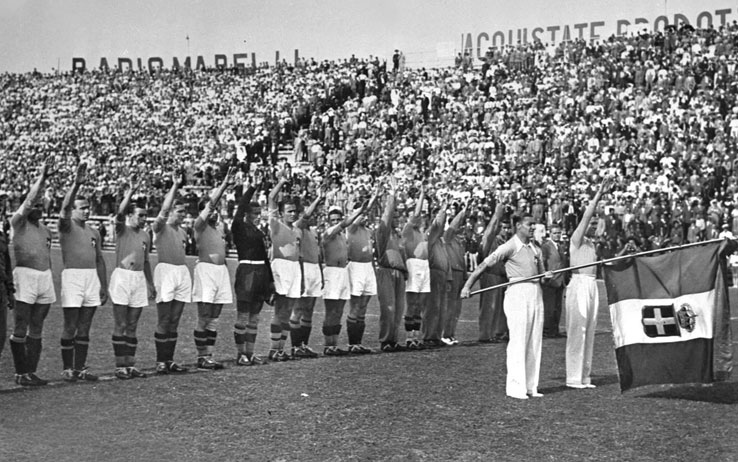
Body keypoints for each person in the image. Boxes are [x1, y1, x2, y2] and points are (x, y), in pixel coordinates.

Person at [462, 214, 551, 400]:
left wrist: (546, 276)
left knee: (535, 339)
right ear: (518, 226)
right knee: (519, 339)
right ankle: (515, 387)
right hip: (518, 291)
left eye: (534, 224)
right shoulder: (509, 246)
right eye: (529, 224)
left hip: (536, 291)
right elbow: (484, 264)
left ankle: (531, 386)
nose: (532, 227)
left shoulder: (536, 248)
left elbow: (541, 275)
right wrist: (467, 286)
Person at [58, 163, 108, 382]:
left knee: (85, 326)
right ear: (74, 210)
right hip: (73, 277)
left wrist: (104, 286)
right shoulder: (66, 226)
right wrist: (76, 184)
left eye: (88, 208)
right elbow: (64, 208)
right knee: (70, 324)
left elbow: (99, 259)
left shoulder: (94, 232)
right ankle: (67, 368)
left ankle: (80, 367)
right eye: (82, 208)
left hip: (91, 278)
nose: (87, 211)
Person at [9, 162, 52, 386]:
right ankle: (20, 372)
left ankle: (31, 371)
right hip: (25, 276)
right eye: (35, 205)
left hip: (44, 277)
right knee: (21, 323)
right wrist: (42, 178)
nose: (38, 208)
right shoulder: (18, 223)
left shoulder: (46, 230)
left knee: (37, 325)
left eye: (41, 206)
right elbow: (27, 202)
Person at [566, 178, 611, 389]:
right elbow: (586, 217)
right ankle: (573, 377)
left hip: (592, 285)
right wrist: (599, 194)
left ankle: (585, 376)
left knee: (590, 330)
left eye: (595, 224)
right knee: (578, 330)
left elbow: (600, 225)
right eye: (590, 224)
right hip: (579, 285)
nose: (593, 226)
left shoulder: (592, 244)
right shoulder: (576, 239)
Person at [110, 177, 155, 379]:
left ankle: (130, 363)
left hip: (138, 278)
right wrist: (131, 191)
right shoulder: (122, 229)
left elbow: (145, 261)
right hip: (122, 277)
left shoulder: (145, 235)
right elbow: (120, 213)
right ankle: (120, 365)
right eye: (140, 216)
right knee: (121, 324)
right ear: (130, 216)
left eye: (146, 216)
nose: (144, 219)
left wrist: (150, 283)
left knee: (132, 325)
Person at [192, 168, 235, 370]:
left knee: (215, 318)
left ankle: (209, 355)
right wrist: (224, 185)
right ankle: (201, 356)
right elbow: (210, 204)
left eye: (216, 210)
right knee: (204, 316)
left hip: (220, 272)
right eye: (211, 210)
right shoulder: (199, 226)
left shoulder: (219, 229)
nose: (214, 212)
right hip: (206, 271)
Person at [152, 171, 191, 374]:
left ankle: (169, 360)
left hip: (181, 273)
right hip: (166, 272)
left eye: (184, 212)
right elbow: (164, 210)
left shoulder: (183, 232)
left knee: (175, 320)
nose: (183, 215)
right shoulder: (160, 227)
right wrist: (175, 186)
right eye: (180, 211)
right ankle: (160, 361)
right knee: (164, 319)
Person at [232, 176, 270, 366]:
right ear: (246, 214)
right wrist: (253, 187)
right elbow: (240, 207)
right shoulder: (239, 227)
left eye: (259, 213)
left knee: (255, 317)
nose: (258, 216)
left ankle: (250, 352)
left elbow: (266, 258)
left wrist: (270, 281)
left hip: (261, 273)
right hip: (247, 272)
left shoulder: (260, 232)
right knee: (243, 316)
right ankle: (241, 354)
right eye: (254, 213)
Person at [321, 204, 366, 356]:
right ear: (329, 221)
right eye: (333, 220)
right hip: (332, 272)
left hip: (343, 272)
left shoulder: (343, 236)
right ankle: (328, 345)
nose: (335, 222)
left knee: (339, 311)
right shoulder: (328, 233)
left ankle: (334, 343)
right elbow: (345, 224)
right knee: (331, 310)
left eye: (338, 219)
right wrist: (359, 211)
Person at [267, 173, 302, 361]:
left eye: (294, 211)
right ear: (281, 213)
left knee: (288, 311)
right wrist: (281, 181)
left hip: (295, 268)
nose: (292, 214)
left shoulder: (296, 230)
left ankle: (281, 348)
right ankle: (274, 349)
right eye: (289, 211)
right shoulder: (275, 225)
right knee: (280, 310)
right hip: (280, 267)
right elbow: (271, 198)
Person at [290, 188, 324, 359]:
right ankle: (295, 346)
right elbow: (305, 217)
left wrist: (321, 275)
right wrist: (318, 199)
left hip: (314, 269)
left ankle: (304, 345)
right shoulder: (298, 227)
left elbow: (318, 255)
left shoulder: (313, 232)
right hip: (303, 269)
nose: (311, 216)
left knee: (309, 310)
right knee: (298, 309)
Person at [374, 177, 407, 352]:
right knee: (389, 308)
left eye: (398, 217)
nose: (396, 219)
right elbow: (386, 217)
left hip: (399, 273)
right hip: (386, 271)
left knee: (398, 309)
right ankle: (385, 340)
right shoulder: (383, 232)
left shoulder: (397, 235)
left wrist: (405, 271)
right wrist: (392, 195)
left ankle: (393, 340)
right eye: (394, 216)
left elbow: (402, 254)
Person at [345, 187, 380, 353]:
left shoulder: (368, 231)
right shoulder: (351, 228)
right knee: (355, 305)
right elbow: (361, 214)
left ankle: (358, 343)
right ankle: (352, 344)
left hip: (368, 267)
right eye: (362, 214)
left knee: (364, 306)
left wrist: (376, 196)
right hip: (356, 267)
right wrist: (371, 201)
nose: (365, 217)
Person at [402, 185, 430, 349]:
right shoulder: (408, 229)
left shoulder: (422, 233)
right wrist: (422, 195)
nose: (420, 218)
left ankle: (416, 336)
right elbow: (417, 213)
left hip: (424, 266)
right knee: (412, 303)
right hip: (413, 265)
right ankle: (409, 338)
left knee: (420, 304)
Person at [477, 204, 508, 343]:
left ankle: (495, 333)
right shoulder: (490, 240)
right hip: (490, 274)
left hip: (502, 277)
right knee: (489, 306)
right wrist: (497, 214)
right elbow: (490, 231)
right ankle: (485, 335)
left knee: (499, 308)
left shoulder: (505, 242)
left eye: (507, 228)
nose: (505, 230)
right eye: (503, 228)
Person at [423, 197, 449, 348]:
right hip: (433, 273)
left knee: (440, 307)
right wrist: (443, 211)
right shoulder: (430, 235)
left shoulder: (441, 240)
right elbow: (437, 226)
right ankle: (429, 336)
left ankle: (437, 335)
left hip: (442, 275)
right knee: (432, 307)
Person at [442, 202, 468, 345]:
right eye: (460, 227)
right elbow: (452, 227)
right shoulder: (448, 239)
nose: (463, 230)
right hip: (451, 275)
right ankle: (445, 334)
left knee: (457, 308)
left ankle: (451, 333)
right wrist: (462, 212)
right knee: (449, 306)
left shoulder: (460, 243)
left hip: (459, 275)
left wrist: (465, 278)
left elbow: (462, 262)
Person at [541, 224, 567, 338]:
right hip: (550, 281)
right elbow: (542, 262)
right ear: (550, 233)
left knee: (557, 307)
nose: (557, 235)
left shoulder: (561, 246)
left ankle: (555, 329)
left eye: (559, 233)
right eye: (555, 233)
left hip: (560, 281)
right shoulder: (546, 247)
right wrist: (545, 276)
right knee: (549, 307)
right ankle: (547, 330)